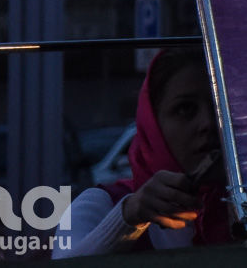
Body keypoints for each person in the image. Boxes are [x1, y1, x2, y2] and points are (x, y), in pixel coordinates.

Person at [54, 48, 232, 256]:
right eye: (185, 109)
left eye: (222, 107)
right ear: (153, 125)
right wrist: (127, 218)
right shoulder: (100, 205)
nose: (208, 123)